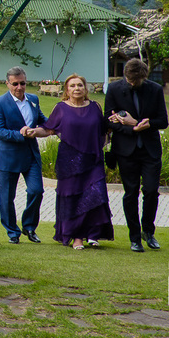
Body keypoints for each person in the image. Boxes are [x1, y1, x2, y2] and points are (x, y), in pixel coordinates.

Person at [41, 74, 114, 250]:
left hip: (93, 159)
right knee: (73, 198)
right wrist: (30, 131)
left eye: (80, 85)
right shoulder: (60, 108)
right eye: (72, 86)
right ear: (67, 90)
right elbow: (48, 129)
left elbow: (105, 130)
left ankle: (93, 235)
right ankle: (77, 237)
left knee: (96, 195)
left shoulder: (95, 107)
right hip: (70, 161)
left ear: (85, 88)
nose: (77, 88)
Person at [105, 58, 168, 252]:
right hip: (126, 150)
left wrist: (142, 123)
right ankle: (134, 237)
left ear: (144, 77)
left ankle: (148, 231)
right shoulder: (114, 89)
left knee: (151, 191)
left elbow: (163, 121)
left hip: (150, 150)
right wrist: (131, 128)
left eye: (137, 81)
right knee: (130, 193)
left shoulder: (155, 90)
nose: (133, 83)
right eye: (130, 80)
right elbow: (109, 121)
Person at [0, 66, 47, 244]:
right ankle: (12, 232)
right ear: (7, 83)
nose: (19, 87)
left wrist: (58, 126)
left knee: (36, 190)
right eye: (15, 84)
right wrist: (20, 134)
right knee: (7, 198)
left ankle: (29, 227)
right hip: (8, 156)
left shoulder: (33, 99)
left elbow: (43, 120)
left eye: (22, 83)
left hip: (31, 155)